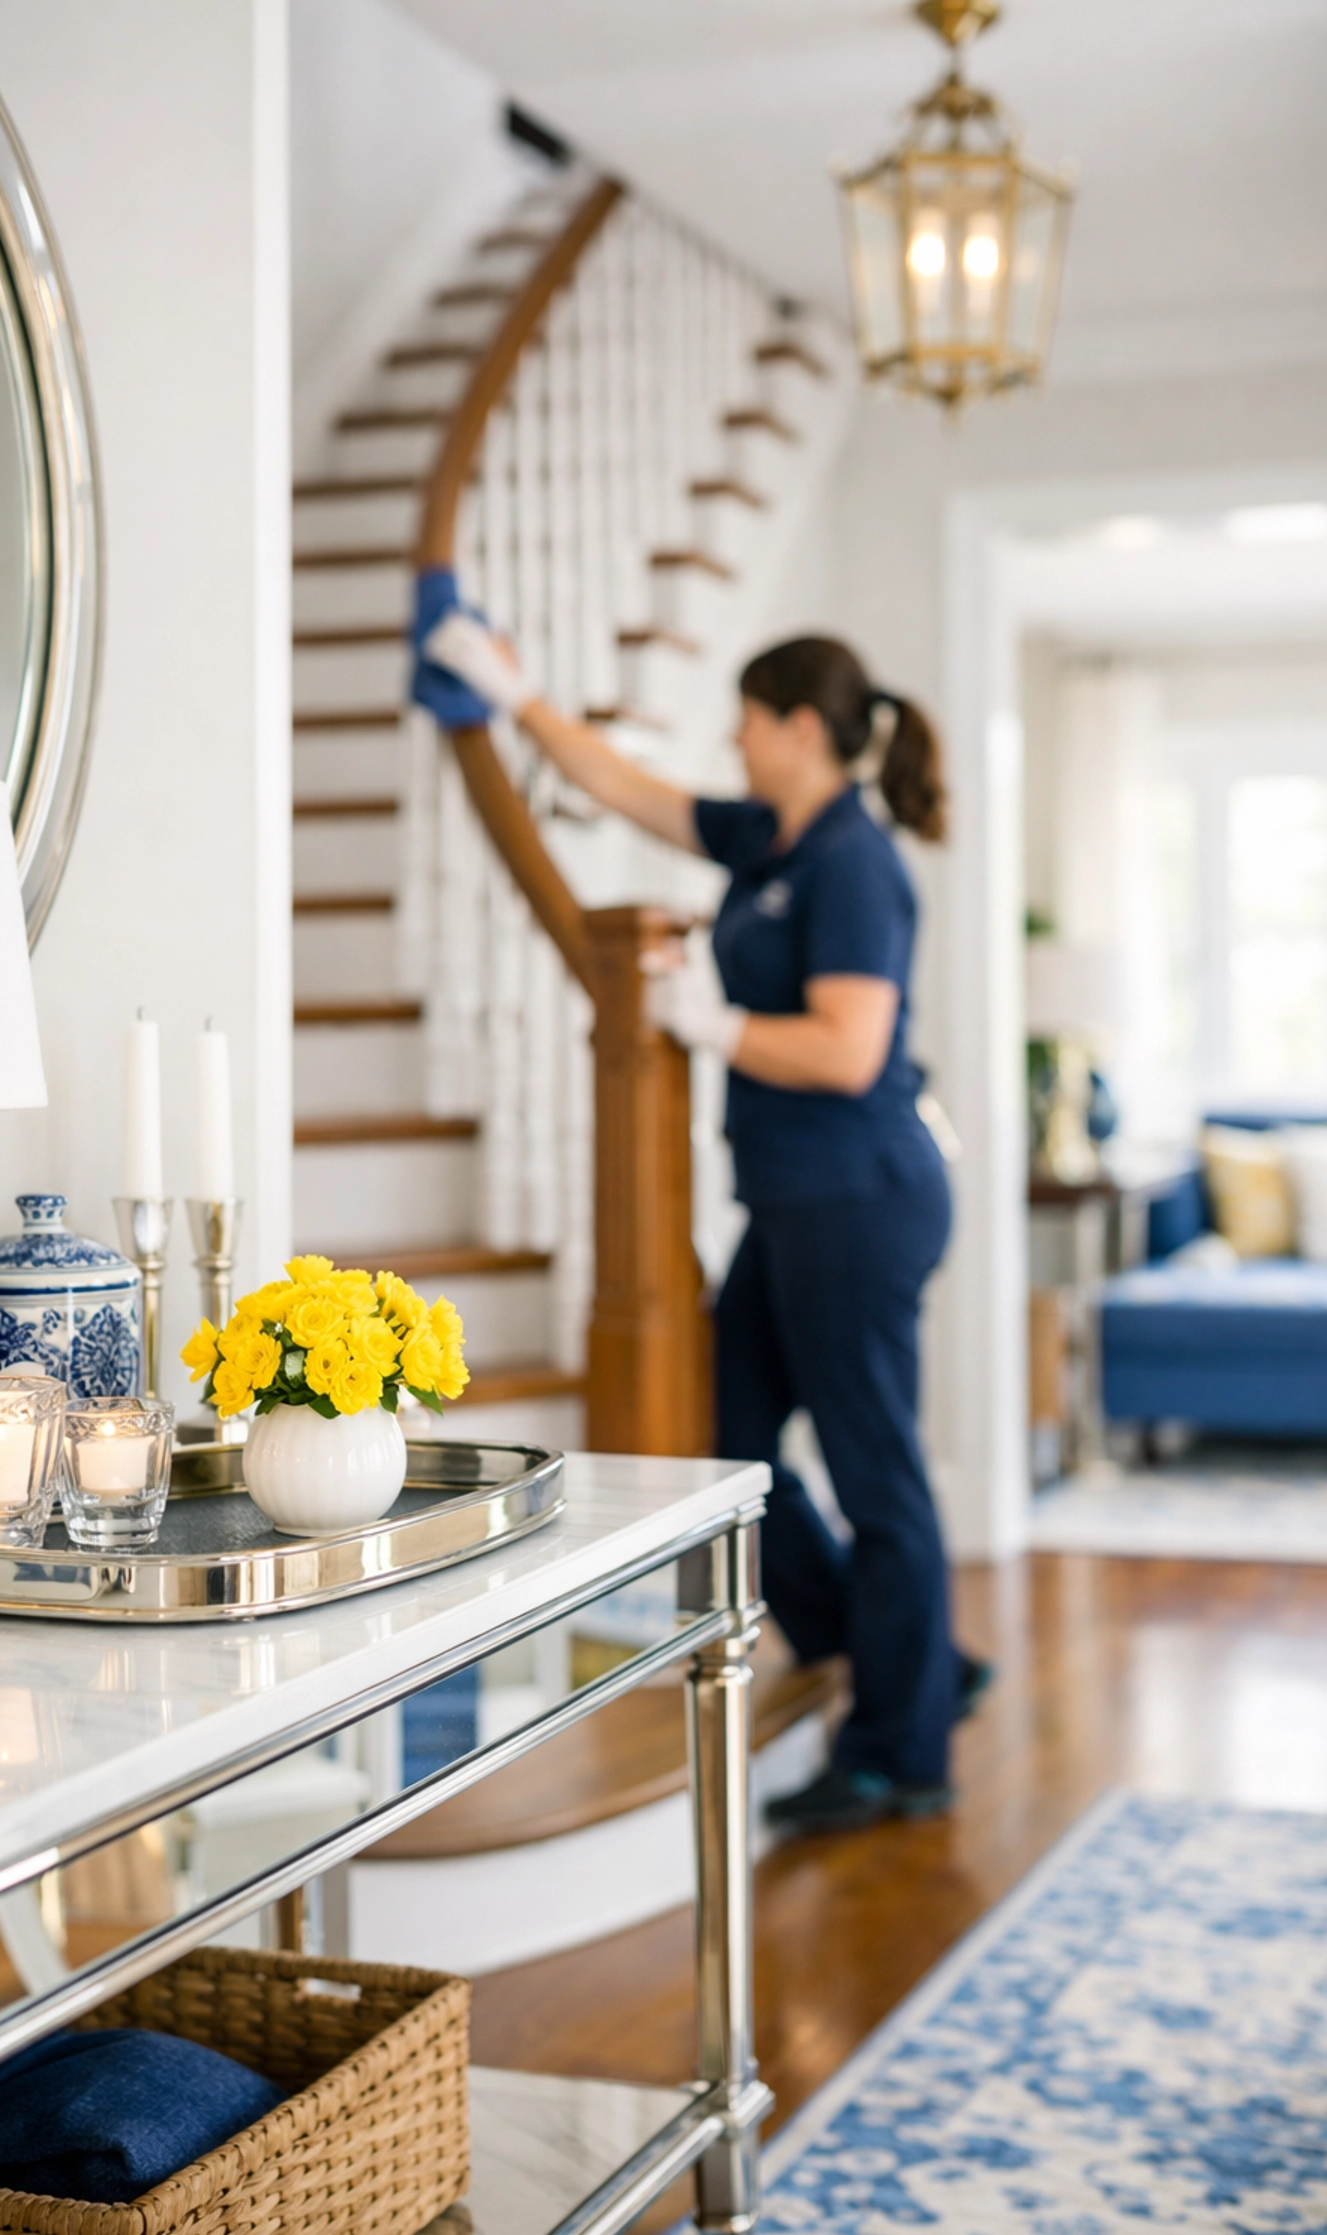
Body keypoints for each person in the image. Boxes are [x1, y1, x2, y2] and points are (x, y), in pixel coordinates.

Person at [419, 599, 989, 1832]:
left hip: (859, 1200)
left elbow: (850, 1050)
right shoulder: (772, 838)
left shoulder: (853, 863)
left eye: (746, 722)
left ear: (798, 728)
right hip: (795, 1204)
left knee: (876, 1470)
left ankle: (904, 1751)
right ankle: (906, 1657)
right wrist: (512, 698)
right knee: (726, 1443)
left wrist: (712, 1027)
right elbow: (629, 790)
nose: (732, 742)